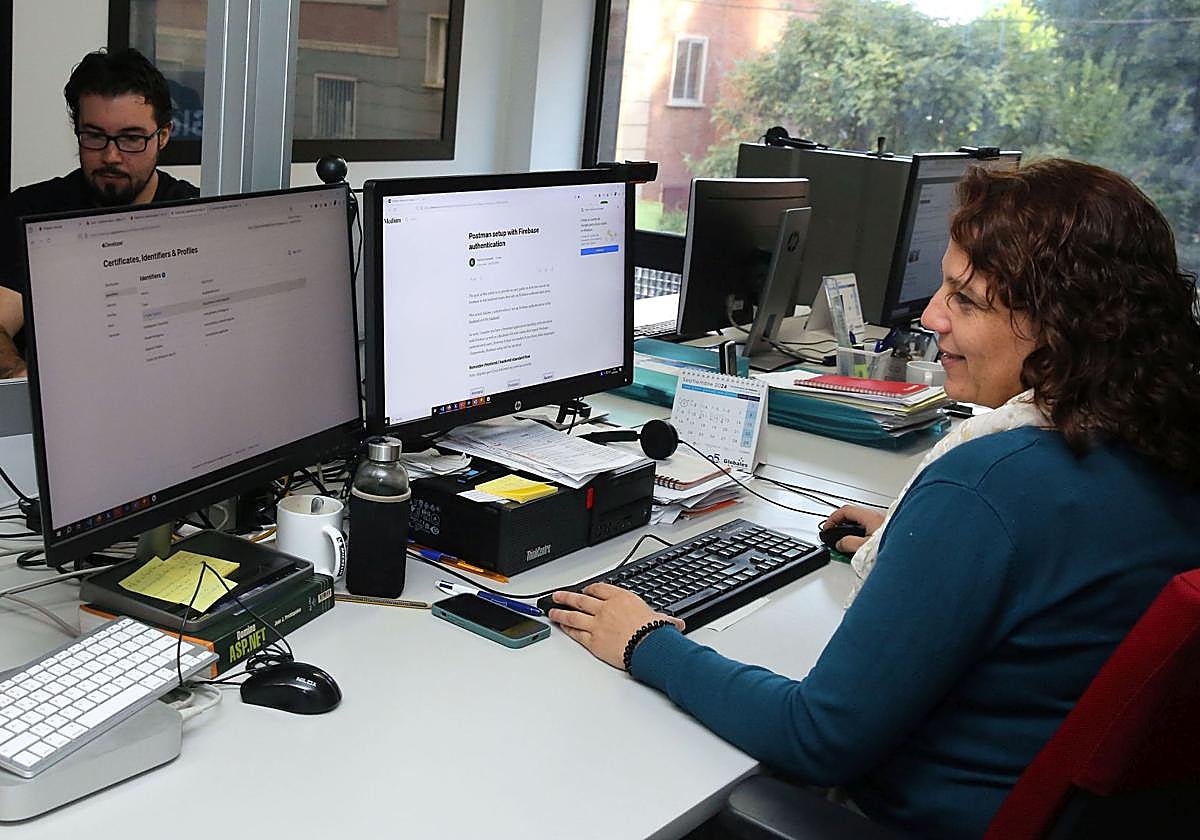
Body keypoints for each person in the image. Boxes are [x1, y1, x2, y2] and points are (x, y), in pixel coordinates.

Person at [547, 159, 1200, 839]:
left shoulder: (988, 487)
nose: (931, 316)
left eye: (966, 300)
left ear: (1062, 326)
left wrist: (647, 642)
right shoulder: (1159, 445)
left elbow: (815, 737)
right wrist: (920, 541)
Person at [0, 48, 198, 378]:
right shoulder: (31, 211)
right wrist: (26, 389)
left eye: (131, 138)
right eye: (94, 136)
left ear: (163, 136)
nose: (111, 156)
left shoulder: (194, 216)